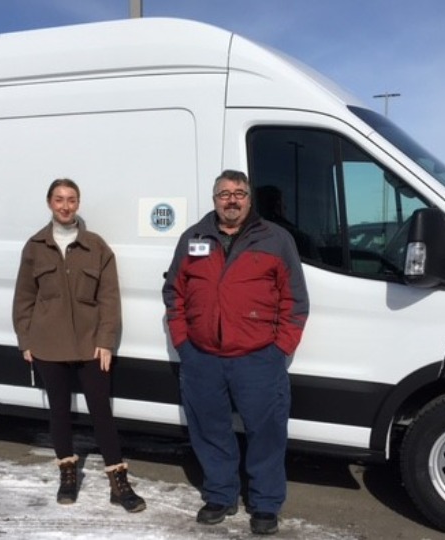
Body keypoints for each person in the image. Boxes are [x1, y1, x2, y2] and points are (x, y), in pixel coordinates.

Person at [162, 170, 309, 535]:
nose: (232, 200)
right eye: (224, 193)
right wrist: (183, 341)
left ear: (249, 199)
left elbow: (295, 301)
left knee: (267, 433)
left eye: (239, 193)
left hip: (259, 358)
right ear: (214, 200)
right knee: (209, 430)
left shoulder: (276, 240)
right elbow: (173, 292)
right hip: (202, 357)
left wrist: (280, 349)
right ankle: (220, 495)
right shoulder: (193, 238)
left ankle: (265, 504)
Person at [13, 178, 146, 513]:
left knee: (101, 412)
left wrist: (106, 341)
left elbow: (109, 298)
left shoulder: (96, 246)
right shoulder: (35, 246)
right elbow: (24, 298)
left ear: (78, 203)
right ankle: (67, 475)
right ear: (49, 203)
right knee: (59, 411)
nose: (65, 205)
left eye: (71, 199)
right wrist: (25, 340)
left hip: (89, 344)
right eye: (59, 199)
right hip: (48, 344)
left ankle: (119, 482)